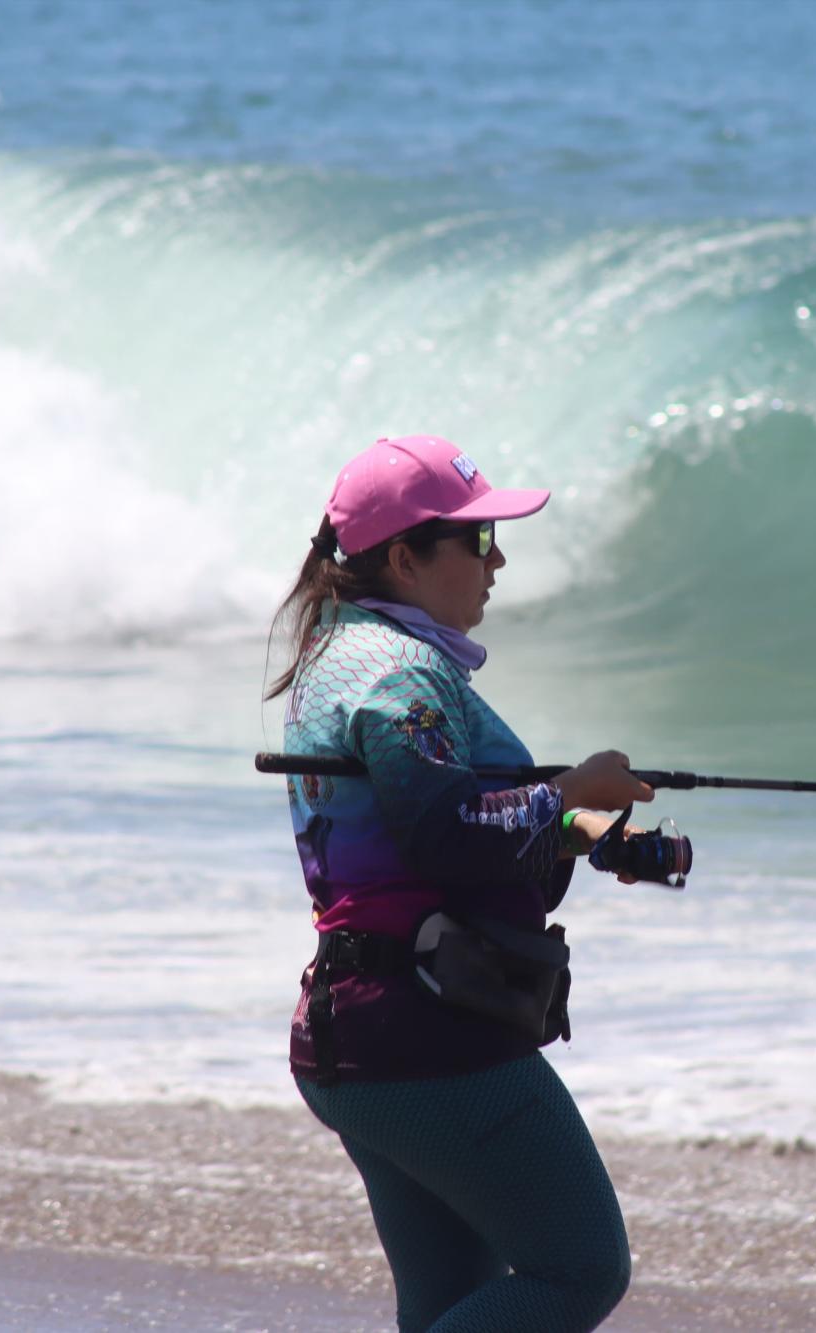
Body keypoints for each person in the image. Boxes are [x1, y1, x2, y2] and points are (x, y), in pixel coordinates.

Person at [265, 434, 654, 1332]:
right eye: (476, 541)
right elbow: (447, 836)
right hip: (427, 1038)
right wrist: (566, 793)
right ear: (404, 556)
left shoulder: (342, 651)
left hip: (354, 1034)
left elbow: (442, 832)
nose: (497, 558)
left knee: (448, 1303)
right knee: (579, 1268)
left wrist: (586, 829)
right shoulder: (402, 674)